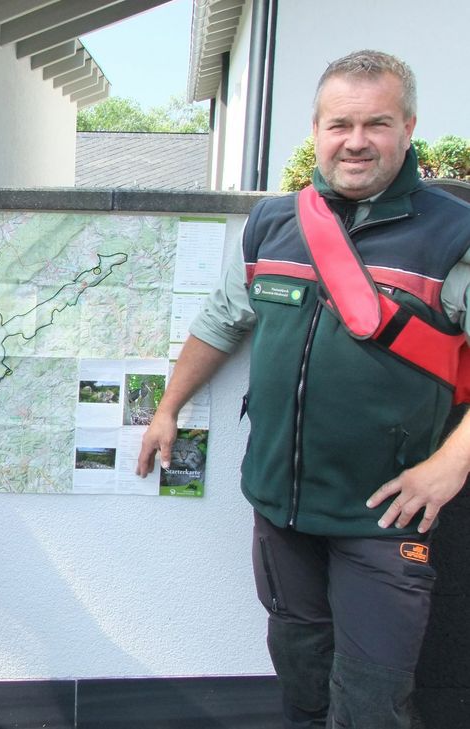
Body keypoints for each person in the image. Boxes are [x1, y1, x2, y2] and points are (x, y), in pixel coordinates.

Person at [137, 50, 470, 729]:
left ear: (408, 128)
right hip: (278, 508)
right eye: (339, 123)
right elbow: (221, 322)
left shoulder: (453, 234)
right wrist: (167, 408)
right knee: (302, 674)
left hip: (384, 517)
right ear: (314, 130)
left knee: (373, 697)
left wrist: (448, 465)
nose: (355, 140)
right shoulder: (272, 222)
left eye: (376, 122)